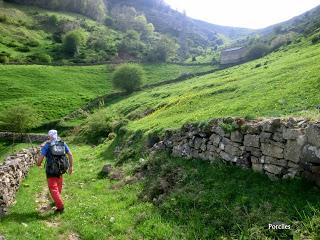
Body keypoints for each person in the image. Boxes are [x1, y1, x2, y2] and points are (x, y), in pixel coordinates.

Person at [37, 130, 74, 214]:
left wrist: (38, 164)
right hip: (61, 169)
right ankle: (57, 200)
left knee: (53, 188)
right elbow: (70, 155)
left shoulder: (47, 145)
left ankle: (60, 207)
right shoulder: (62, 143)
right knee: (59, 185)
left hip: (51, 170)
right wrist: (71, 167)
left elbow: (40, 159)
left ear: (49, 136)